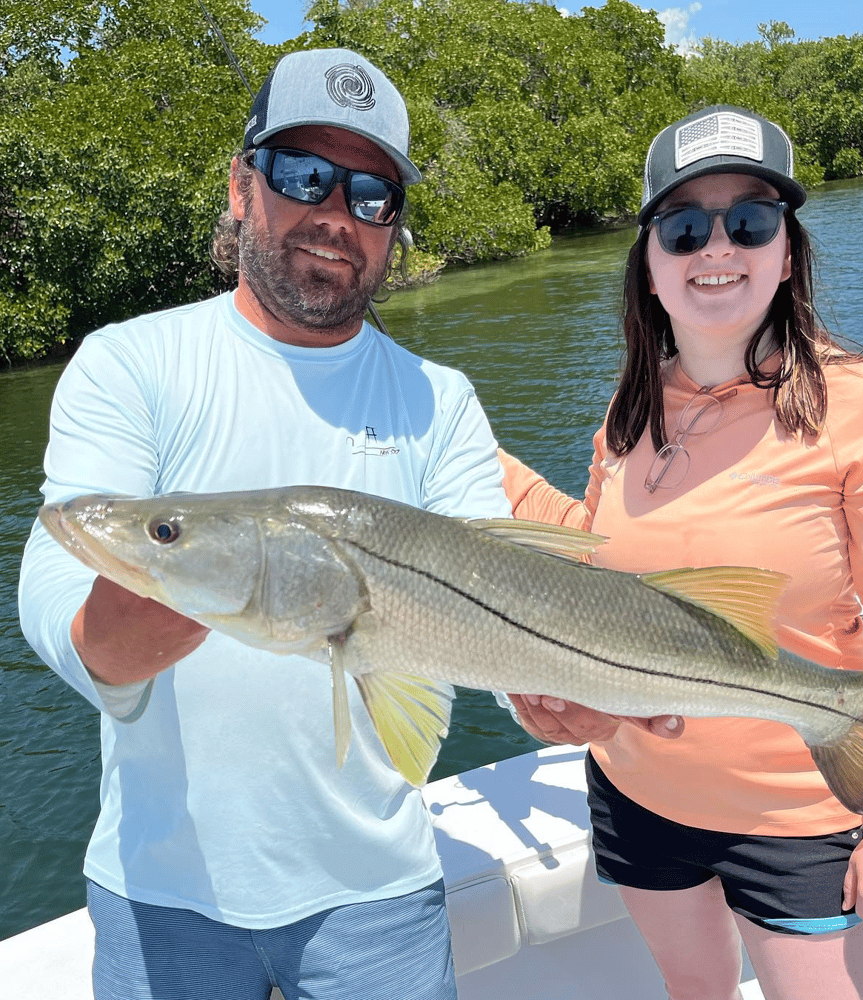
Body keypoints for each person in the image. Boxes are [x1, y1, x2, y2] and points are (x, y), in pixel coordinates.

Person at [18, 48, 510, 1000]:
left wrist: (562, 695)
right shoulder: (131, 362)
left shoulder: (439, 399)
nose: (337, 213)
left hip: (380, 895)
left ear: (394, 227)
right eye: (303, 175)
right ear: (243, 186)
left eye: (373, 193)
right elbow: (56, 572)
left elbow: (493, 601)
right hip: (161, 891)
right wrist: (111, 645)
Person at [500, 105, 863, 1000]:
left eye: (749, 221)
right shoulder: (630, 412)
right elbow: (597, 563)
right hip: (636, 791)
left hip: (800, 814)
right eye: (683, 227)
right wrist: (472, 450)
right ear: (652, 267)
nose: (716, 247)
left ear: (787, 253)